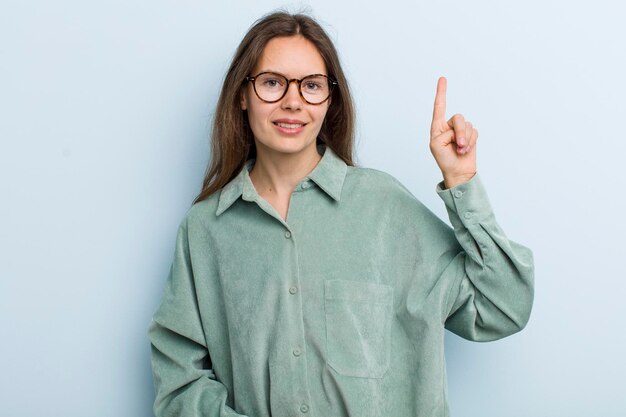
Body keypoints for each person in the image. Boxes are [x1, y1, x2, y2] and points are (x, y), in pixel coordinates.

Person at [148, 11, 534, 417]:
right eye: (273, 83)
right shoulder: (204, 231)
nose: (293, 101)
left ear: (329, 100)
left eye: (311, 85)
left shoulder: (385, 207)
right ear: (243, 95)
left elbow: (504, 308)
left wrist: (461, 180)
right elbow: (179, 381)